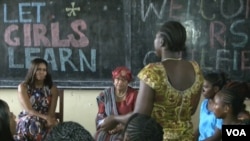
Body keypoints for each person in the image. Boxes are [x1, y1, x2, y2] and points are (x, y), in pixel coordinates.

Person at [100, 21, 204, 140]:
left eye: (156, 37)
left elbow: (139, 117)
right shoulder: (196, 69)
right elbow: (192, 111)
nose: (154, 41)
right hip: (187, 137)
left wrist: (114, 118)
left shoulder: (152, 72)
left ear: (162, 41)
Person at [15, 58, 59, 141]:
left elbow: (51, 112)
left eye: (44, 70)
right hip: (29, 117)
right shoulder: (23, 87)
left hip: (46, 118)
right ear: (33, 70)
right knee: (33, 123)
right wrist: (46, 118)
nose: (42, 72)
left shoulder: (52, 88)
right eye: (38, 69)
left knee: (54, 127)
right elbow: (29, 110)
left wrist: (49, 119)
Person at [94, 66, 138, 141]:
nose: (120, 82)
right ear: (114, 80)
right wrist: (109, 127)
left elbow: (138, 117)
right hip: (109, 128)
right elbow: (100, 117)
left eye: (123, 80)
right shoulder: (105, 95)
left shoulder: (134, 95)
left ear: (128, 82)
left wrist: (122, 127)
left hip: (128, 128)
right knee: (98, 137)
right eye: (117, 79)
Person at [195, 72, 228, 141]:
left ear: (216, 89)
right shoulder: (204, 104)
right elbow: (201, 126)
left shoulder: (220, 109)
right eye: (202, 86)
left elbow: (217, 136)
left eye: (206, 87)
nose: (202, 90)